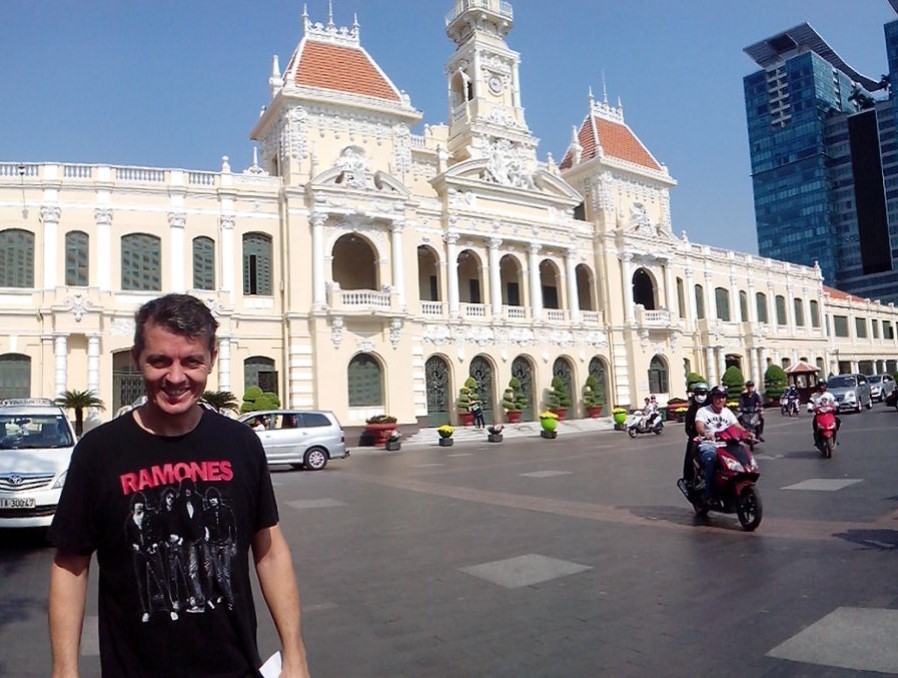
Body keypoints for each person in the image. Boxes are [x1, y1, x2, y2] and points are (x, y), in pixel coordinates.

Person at [48, 293, 310, 677]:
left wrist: (295, 654)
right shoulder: (98, 452)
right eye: (160, 361)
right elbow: (71, 564)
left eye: (191, 361)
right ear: (137, 357)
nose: (175, 377)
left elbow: (270, 552)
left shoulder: (240, 444)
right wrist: (64, 670)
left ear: (212, 360)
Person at [694, 385, 752, 504]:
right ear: (712, 398)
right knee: (710, 460)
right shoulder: (703, 411)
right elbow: (699, 426)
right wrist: (705, 433)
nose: (720, 400)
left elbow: (737, 426)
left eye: (723, 397)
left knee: (743, 454)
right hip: (709, 444)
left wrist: (747, 433)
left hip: (727, 444)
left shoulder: (727, 412)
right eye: (717, 397)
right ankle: (710, 495)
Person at [682, 382, 709, 483]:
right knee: (690, 453)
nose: (700, 396)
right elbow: (687, 427)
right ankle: (689, 478)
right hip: (696, 436)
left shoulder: (711, 407)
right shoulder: (692, 409)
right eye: (697, 393)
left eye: (702, 393)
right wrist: (693, 436)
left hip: (712, 436)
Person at [810, 380, 841, 445]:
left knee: (837, 421)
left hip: (829, 414)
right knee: (815, 424)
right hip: (819, 414)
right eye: (820, 386)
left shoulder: (829, 395)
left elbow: (834, 401)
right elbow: (810, 403)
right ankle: (817, 439)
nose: (822, 387)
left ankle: (834, 437)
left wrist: (836, 405)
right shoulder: (814, 396)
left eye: (823, 385)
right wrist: (809, 408)